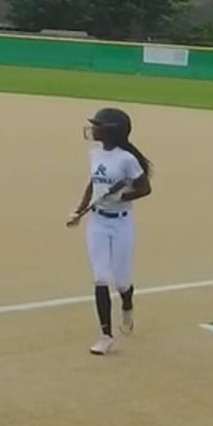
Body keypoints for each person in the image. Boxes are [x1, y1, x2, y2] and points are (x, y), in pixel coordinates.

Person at [67, 107, 152, 356]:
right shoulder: (94, 154)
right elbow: (93, 184)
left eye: (98, 125)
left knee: (122, 281)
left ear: (112, 131)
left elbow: (145, 188)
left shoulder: (127, 159)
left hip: (121, 224)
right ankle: (106, 335)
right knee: (101, 277)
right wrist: (79, 210)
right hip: (98, 223)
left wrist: (121, 196)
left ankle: (127, 301)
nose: (93, 129)